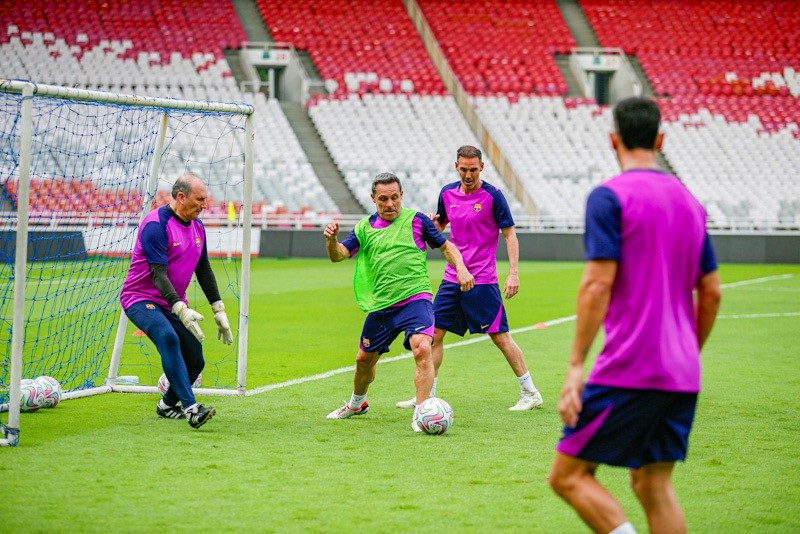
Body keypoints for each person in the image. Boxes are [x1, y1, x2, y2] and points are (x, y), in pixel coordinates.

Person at [548, 97, 722, 534]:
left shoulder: (609, 197)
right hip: (681, 372)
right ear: (660, 139)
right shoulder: (691, 203)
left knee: (567, 476)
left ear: (613, 140)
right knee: (651, 484)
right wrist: (686, 352)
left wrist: (574, 368)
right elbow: (712, 293)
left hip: (630, 368)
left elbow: (597, 284)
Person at [395, 145, 542, 411]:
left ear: (482, 168)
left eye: (473, 170)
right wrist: (431, 224)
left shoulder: (493, 196)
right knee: (433, 335)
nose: (468, 175)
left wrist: (513, 274)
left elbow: (509, 235)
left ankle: (530, 392)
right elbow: (437, 236)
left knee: (500, 336)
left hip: (483, 279)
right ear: (456, 166)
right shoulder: (447, 193)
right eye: (464, 169)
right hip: (452, 277)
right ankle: (427, 397)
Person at [324, 172, 474, 432]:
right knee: (363, 360)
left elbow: (446, 247)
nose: (390, 203)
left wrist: (461, 268)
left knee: (422, 349)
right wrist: (331, 240)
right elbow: (339, 256)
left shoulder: (416, 221)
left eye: (395, 197)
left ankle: (422, 412)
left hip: (416, 299)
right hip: (382, 306)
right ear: (373, 199)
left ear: (402, 195)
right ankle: (357, 403)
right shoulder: (363, 228)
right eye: (383, 199)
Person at [120, 173, 233, 429]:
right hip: (140, 298)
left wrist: (218, 309)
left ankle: (167, 405)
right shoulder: (155, 224)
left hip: (172, 302)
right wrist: (180, 308)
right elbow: (157, 274)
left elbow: (203, 269)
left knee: (196, 360)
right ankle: (191, 408)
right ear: (181, 197)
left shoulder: (198, 226)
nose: (205, 204)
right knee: (168, 337)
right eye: (200, 199)